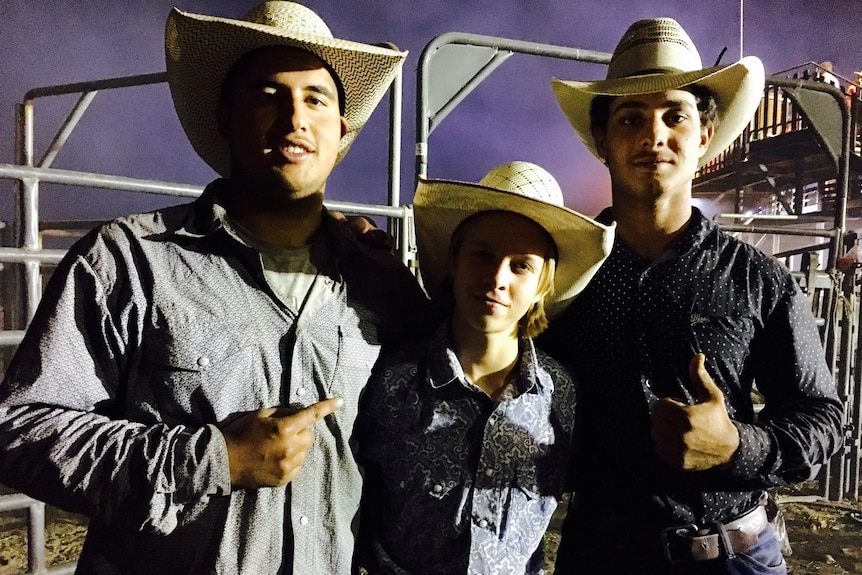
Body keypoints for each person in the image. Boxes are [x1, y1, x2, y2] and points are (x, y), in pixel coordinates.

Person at [0, 2, 435, 573]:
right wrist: (213, 459)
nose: (295, 118)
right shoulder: (130, 260)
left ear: (340, 131)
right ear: (226, 118)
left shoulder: (382, 282)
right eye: (266, 95)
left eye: (315, 99)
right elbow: (22, 430)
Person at [539, 18, 845, 574]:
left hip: (735, 556)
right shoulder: (563, 275)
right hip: (601, 556)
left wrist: (736, 447)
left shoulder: (759, 278)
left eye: (674, 115)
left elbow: (821, 416)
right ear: (604, 141)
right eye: (630, 118)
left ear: (703, 137)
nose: (654, 135)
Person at [354, 161, 614, 574]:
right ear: (454, 260)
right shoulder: (390, 380)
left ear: (543, 284)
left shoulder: (562, 395)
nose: (497, 277)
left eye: (521, 266)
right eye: (483, 254)